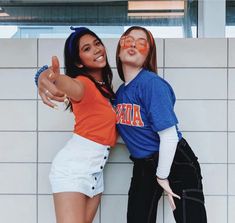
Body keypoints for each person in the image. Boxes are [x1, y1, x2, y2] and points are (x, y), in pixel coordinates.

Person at [115, 26, 207, 223]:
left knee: (191, 219)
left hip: (176, 161)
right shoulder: (121, 93)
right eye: (128, 39)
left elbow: (169, 135)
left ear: (149, 54)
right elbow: (132, 133)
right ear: (119, 47)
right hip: (143, 164)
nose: (133, 44)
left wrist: (162, 176)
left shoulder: (152, 84)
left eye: (141, 42)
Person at [35, 27, 117, 223]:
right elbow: (67, 84)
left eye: (97, 43)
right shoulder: (83, 84)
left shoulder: (105, 89)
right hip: (73, 169)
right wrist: (46, 76)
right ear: (78, 62)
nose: (97, 49)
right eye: (87, 48)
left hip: (95, 170)